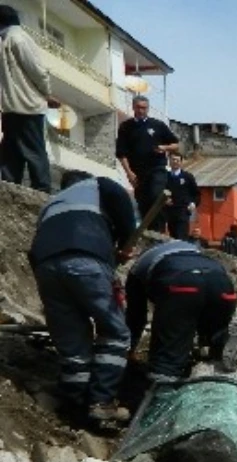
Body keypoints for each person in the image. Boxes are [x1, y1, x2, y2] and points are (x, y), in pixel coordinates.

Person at [27, 170, 137, 426]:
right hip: (86, 258)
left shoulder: (51, 204)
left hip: (46, 268)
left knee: (72, 341)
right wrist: (125, 243)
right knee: (115, 333)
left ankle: (75, 404)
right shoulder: (100, 184)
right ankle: (101, 402)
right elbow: (121, 202)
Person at [124, 240, 237, 382]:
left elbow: (136, 316)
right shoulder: (194, 251)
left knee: (169, 351)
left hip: (181, 284)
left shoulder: (138, 267)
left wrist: (128, 349)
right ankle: (220, 342)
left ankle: (163, 387)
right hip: (221, 283)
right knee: (211, 324)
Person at [0, 5, 55, 192]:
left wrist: (46, 93)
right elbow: (37, 72)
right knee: (23, 152)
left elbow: (35, 72)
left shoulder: (14, 39)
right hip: (22, 106)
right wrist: (47, 93)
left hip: (18, 106)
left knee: (19, 153)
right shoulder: (14, 38)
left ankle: (31, 192)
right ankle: (32, 191)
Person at [115, 94, 179, 232]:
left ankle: (160, 230)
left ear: (148, 109)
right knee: (143, 203)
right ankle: (147, 233)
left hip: (157, 169)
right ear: (133, 107)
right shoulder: (126, 127)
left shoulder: (158, 125)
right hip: (138, 172)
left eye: (144, 108)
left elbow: (176, 145)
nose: (141, 110)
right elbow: (121, 153)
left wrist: (164, 148)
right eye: (138, 107)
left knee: (156, 195)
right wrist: (129, 173)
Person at [163, 152, 199, 241]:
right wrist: (164, 200)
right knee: (173, 237)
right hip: (170, 213)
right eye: (173, 159)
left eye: (177, 160)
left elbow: (196, 194)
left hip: (183, 211)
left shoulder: (187, 177)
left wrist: (193, 203)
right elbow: (160, 192)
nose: (175, 162)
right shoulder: (165, 177)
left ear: (181, 162)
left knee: (181, 237)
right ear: (169, 161)